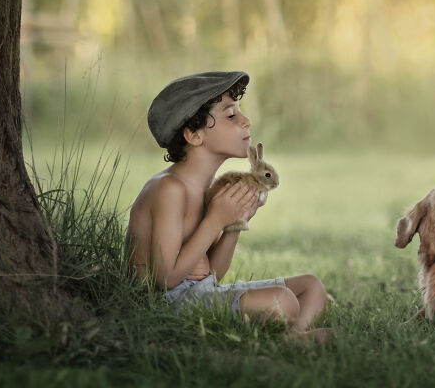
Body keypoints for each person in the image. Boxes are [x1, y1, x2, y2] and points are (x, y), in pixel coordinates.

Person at [127, 70, 331, 342]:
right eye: (231, 115)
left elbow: (212, 274)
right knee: (283, 301)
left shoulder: (207, 189)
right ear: (193, 135)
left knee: (312, 286)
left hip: (200, 293)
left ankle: (291, 339)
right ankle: (291, 339)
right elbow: (165, 279)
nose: (246, 121)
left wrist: (233, 225)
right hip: (166, 305)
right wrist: (215, 220)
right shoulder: (169, 189)